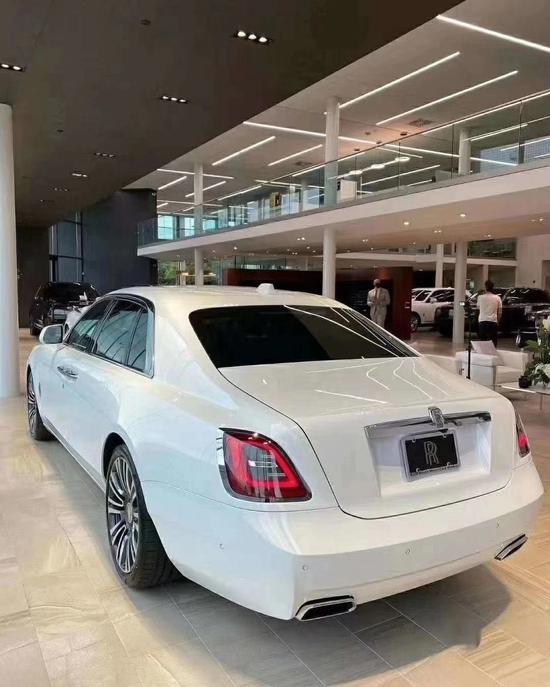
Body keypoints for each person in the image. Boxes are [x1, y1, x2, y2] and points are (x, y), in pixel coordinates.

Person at [477, 279, 502, 347]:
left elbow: (478, 309)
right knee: (493, 341)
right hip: (493, 321)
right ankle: (493, 352)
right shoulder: (498, 298)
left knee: (483, 342)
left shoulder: (480, 297)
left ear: (485, 287)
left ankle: (484, 353)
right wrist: (498, 321)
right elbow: (500, 312)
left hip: (482, 321)